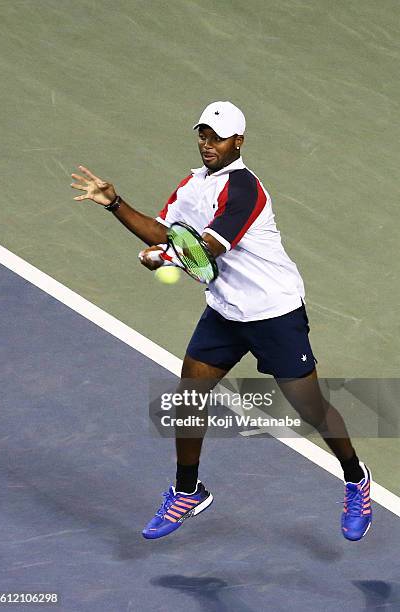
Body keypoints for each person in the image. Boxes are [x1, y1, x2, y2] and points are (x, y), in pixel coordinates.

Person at [71, 101, 372, 542]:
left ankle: (354, 477)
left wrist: (163, 259)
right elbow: (164, 230)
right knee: (190, 395)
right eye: (203, 135)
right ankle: (188, 490)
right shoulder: (192, 185)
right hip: (226, 311)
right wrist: (115, 204)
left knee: (309, 406)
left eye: (218, 137)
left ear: (239, 142)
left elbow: (208, 249)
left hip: (274, 311)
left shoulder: (245, 190)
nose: (208, 144)